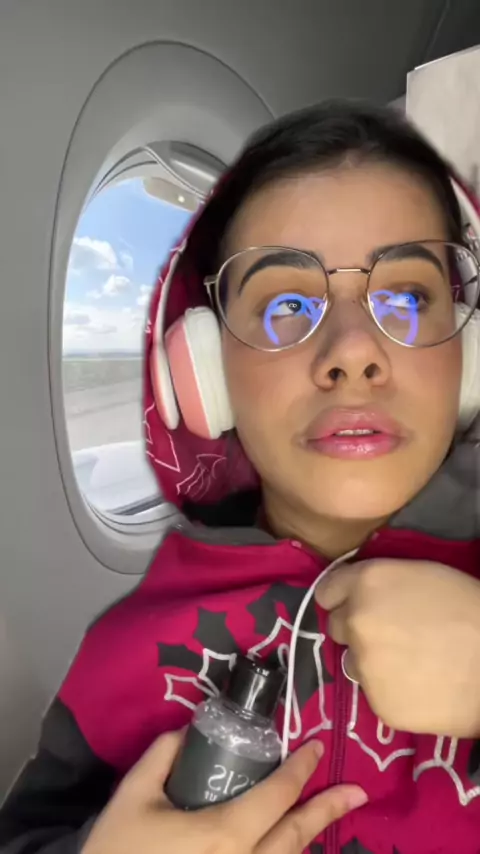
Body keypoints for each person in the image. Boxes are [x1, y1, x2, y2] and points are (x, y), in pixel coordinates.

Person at [2, 100, 480, 854]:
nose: (353, 352)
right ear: (205, 370)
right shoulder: (123, 648)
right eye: (287, 303)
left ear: (469, 354)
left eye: (405, 297)